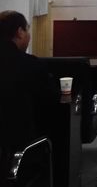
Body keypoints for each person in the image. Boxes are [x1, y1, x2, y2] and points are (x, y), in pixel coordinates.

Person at [0, 10, 59, 169]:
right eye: (27, 30)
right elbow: (52, 99)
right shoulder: (30, 65)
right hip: (21, 151)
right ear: (20, 32)